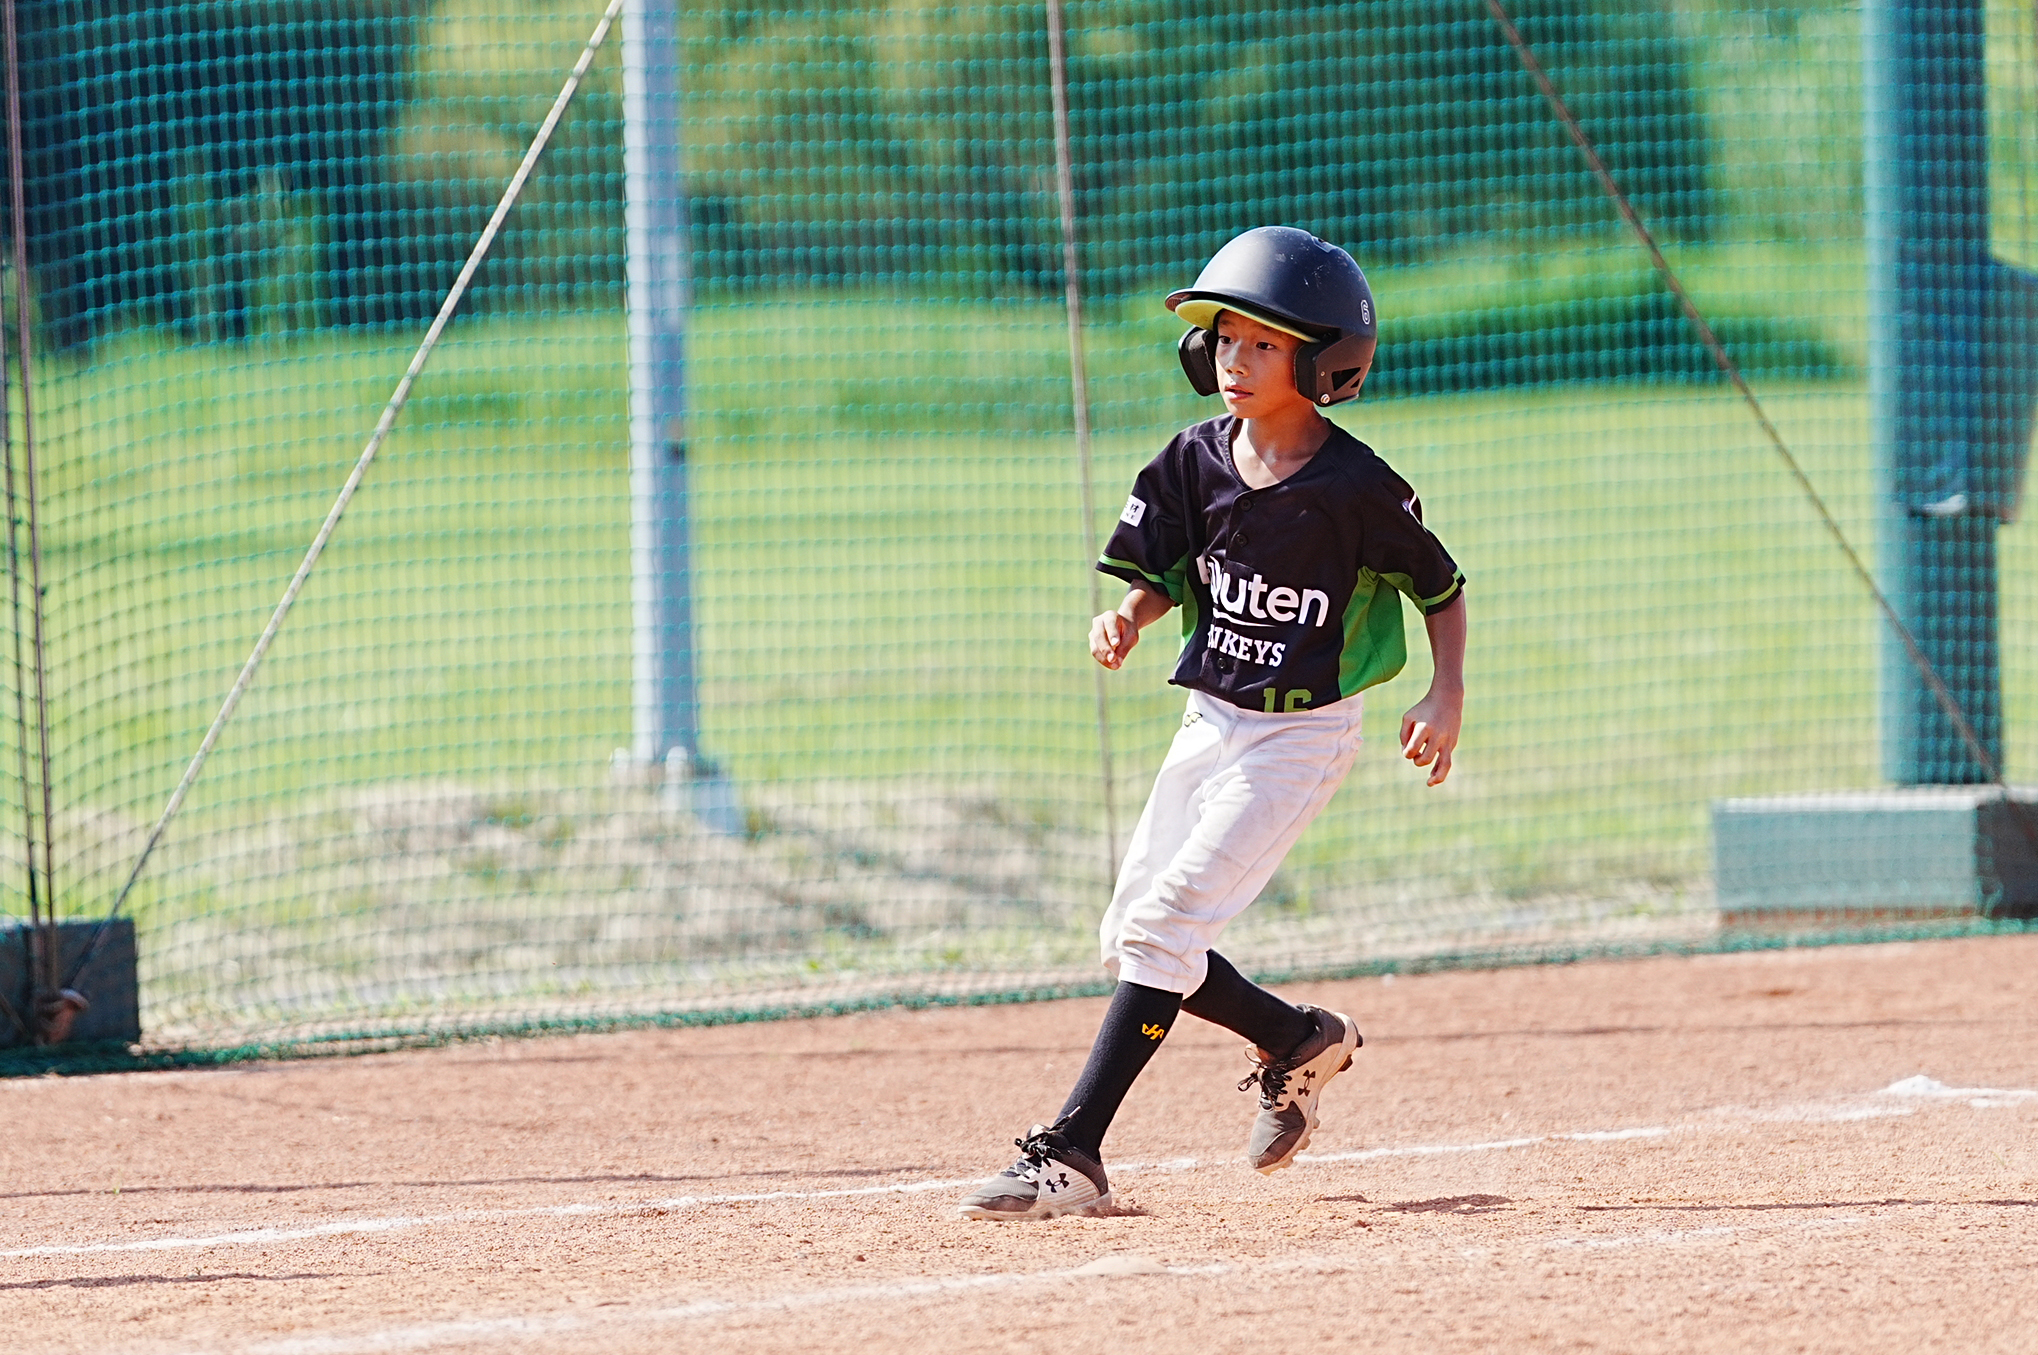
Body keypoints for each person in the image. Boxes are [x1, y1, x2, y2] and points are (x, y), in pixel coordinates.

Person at [957, 226, 1469, 1222]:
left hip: (1298, 737)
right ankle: (1296, 1038)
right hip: (1209, 717)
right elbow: (1163, 569)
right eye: (1225, 338)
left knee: (1164, 927)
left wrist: (1443, 694)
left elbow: (1441, 588)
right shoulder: (1193, 460)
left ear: (1322, 362)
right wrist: (1129, 614)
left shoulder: (1357, 489)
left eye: (1264, 343)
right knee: (1135, 933)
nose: (1235, 358)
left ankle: (1072, 1151)